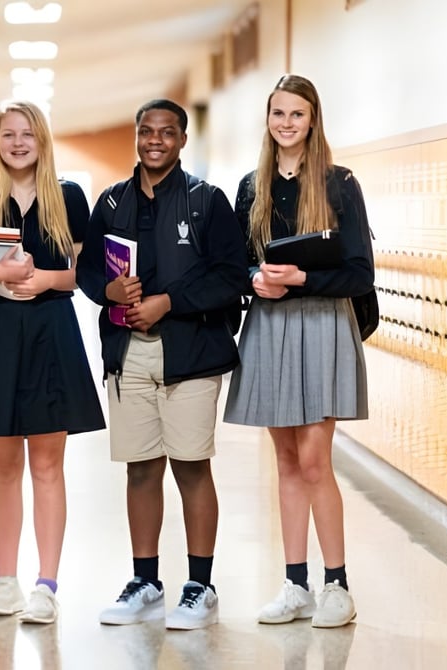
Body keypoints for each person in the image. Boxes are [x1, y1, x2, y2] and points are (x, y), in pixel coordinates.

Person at [76, 99, 248, 630]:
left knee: (191, 466)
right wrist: (107, 290)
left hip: (191, 354)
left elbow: (231, 277)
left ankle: (200, 585)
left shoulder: (208, 202)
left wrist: (168, 302)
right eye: (146, 131)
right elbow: (85, 271)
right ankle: (146, 581)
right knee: (141, 468)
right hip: (129, 354)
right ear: (136, 136)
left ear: (182, 139)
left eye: (166, 132)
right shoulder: (111, 201)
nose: (155, 140)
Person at [222, 74, 373, 629]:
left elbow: (359, 272)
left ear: (313, 120)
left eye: (297, 115)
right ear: (268, 120)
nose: (286, 123)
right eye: (278, 114)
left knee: (314, 461)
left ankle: (338, 585)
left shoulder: (339, 184)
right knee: (284, 461)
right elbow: (235, 262)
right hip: (269, 325)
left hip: (321, 324)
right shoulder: (251, 187)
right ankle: (295, 584)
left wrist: (301, 277)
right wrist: (253, 280)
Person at [0, 100, 106, 625]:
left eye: (27, 134)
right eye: (8, 134)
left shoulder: (68, 197)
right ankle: (6, 581)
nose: (17, 143)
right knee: (4, 468)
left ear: (42, 140)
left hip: (50, 333)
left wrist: (44, 280)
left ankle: (47, 584)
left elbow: (86, 275)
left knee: (47, 465)